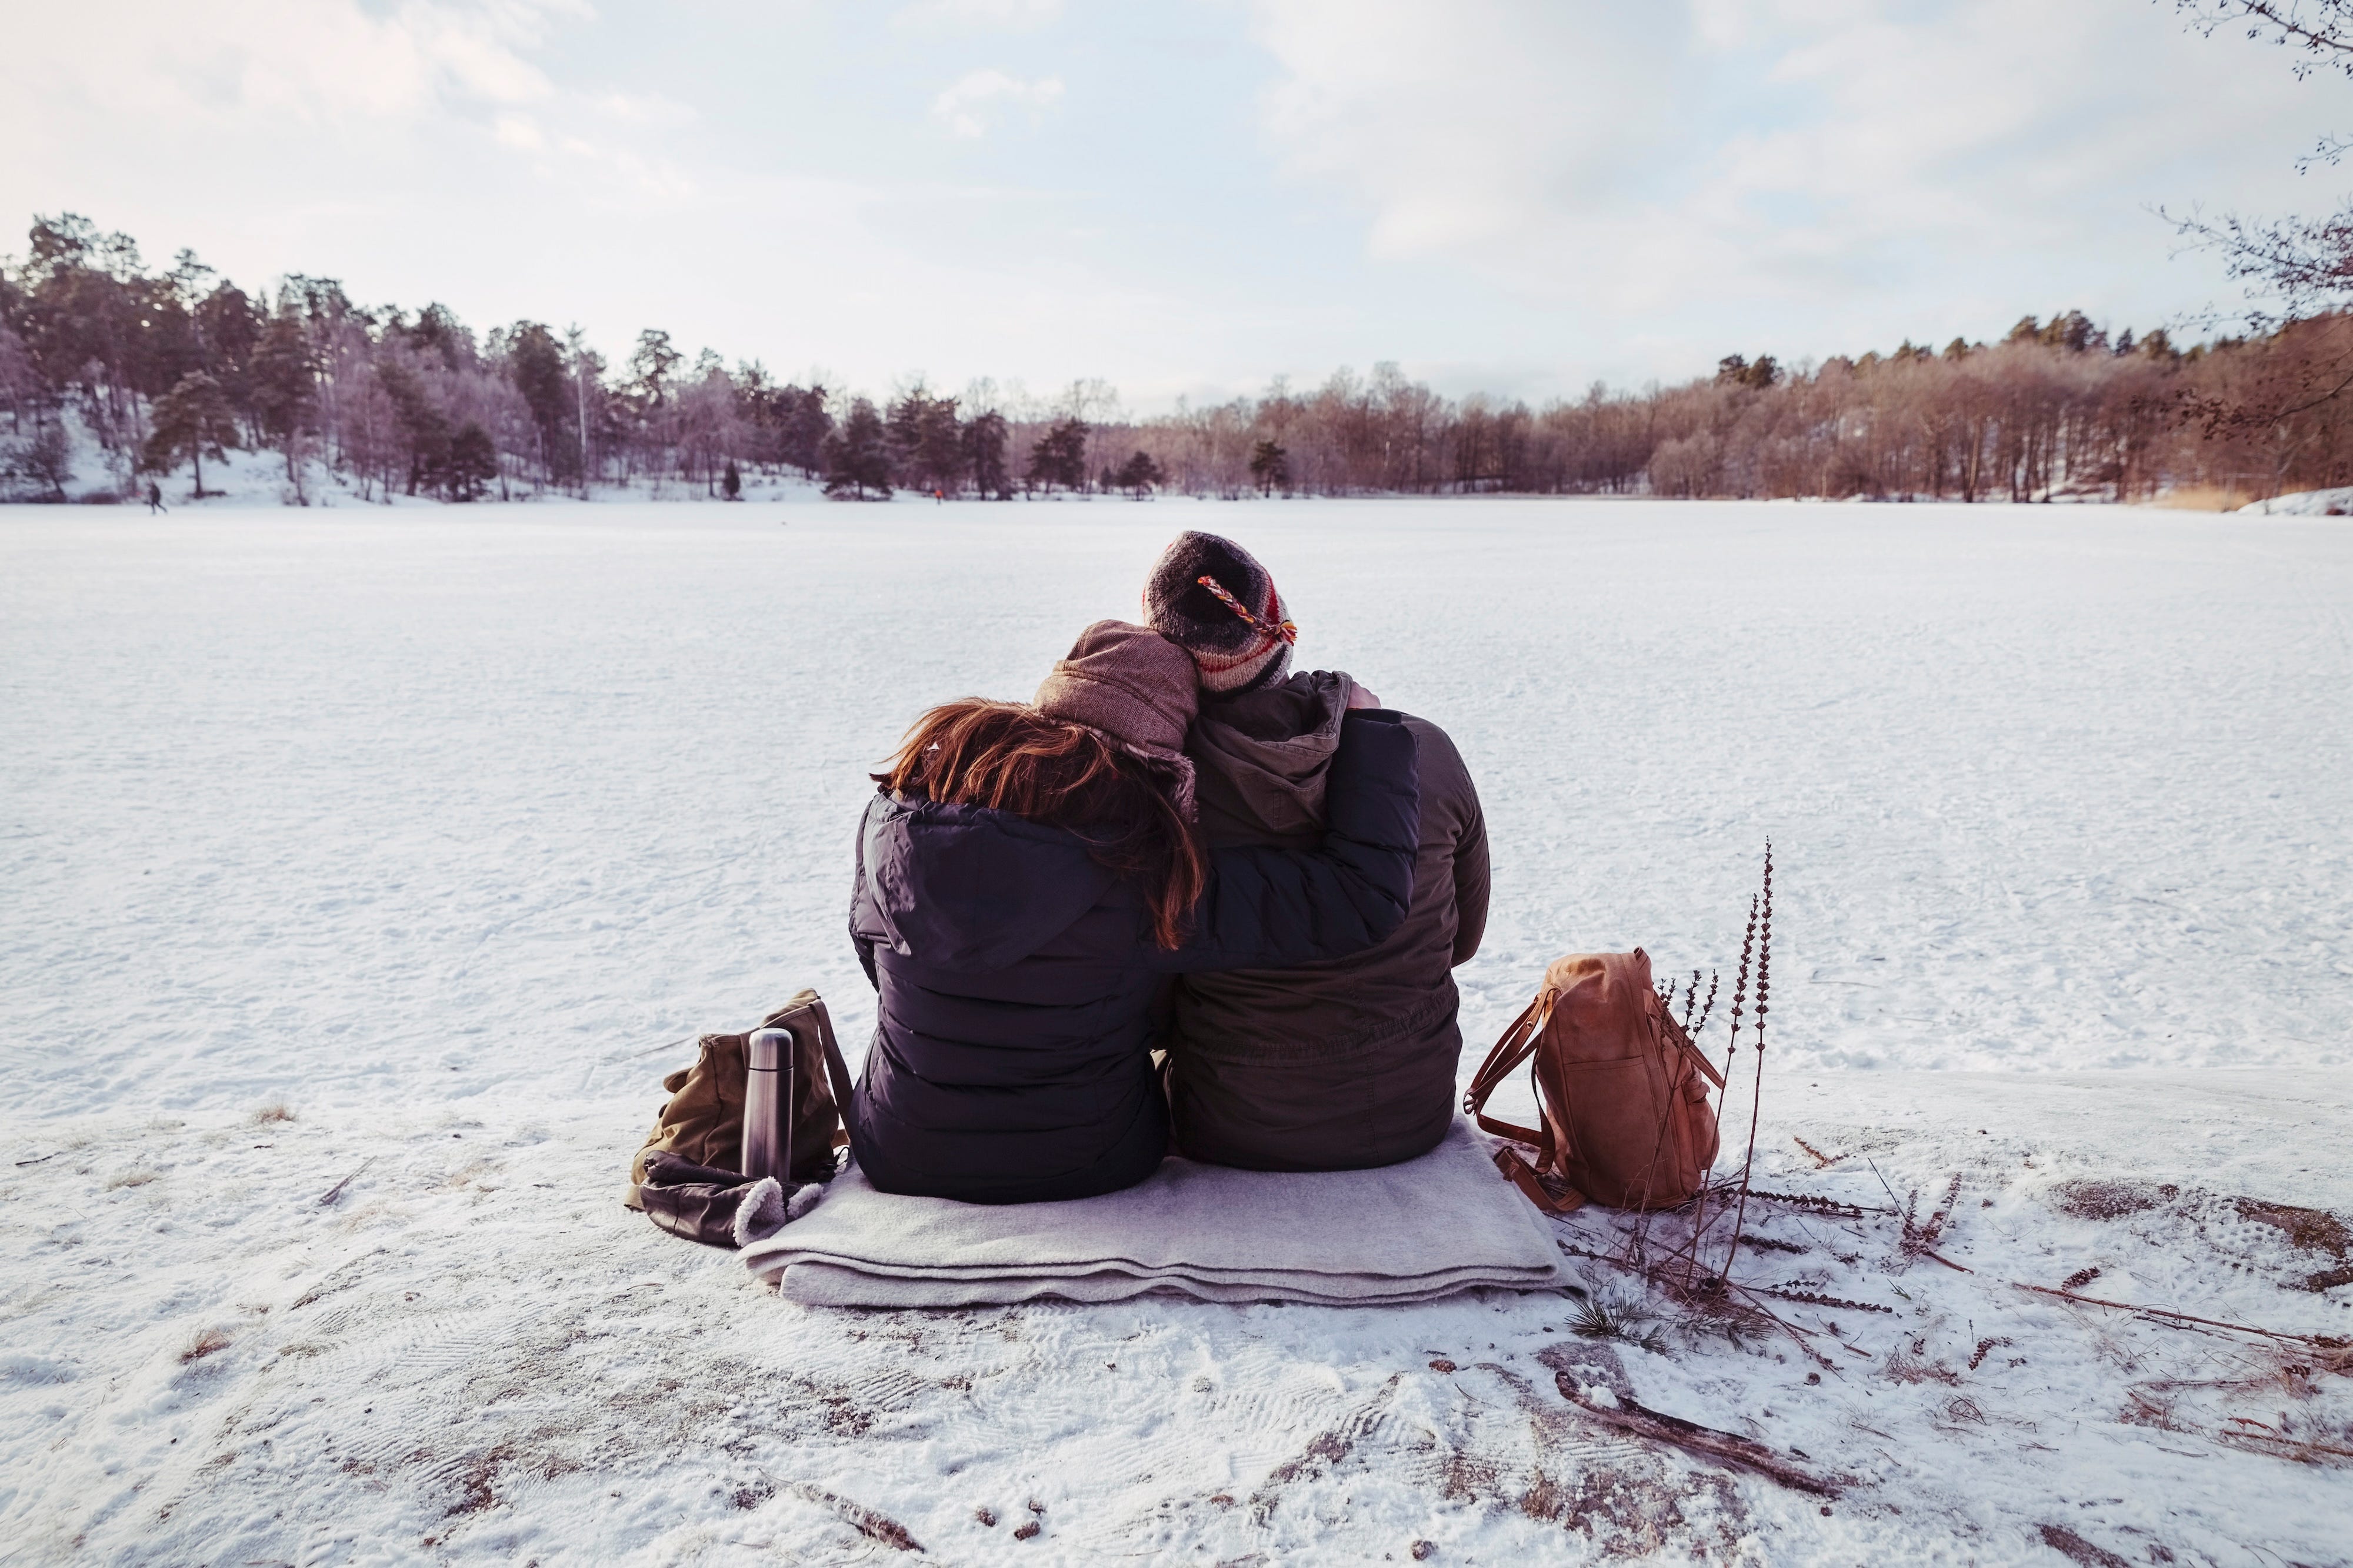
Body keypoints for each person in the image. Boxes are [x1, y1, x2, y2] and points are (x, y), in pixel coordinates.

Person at [845, 619, 1423, 1204]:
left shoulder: (894, 827)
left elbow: (875, 964)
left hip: (899, 1149)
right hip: (1086, 1161)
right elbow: (1357, 900)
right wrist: (1368, 731)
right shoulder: (1144, 873)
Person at [1141, 532, 1489, 1172]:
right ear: (1280, 626)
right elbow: (1461, 939)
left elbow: (1151, 999)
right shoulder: (1424, 750)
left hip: (1229, 1120)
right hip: (1411, 1110)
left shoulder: (1161, 794)